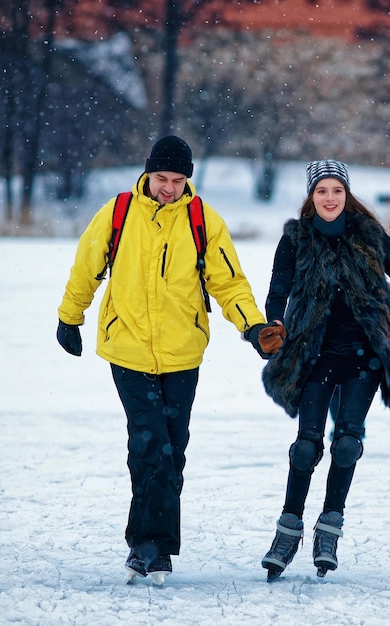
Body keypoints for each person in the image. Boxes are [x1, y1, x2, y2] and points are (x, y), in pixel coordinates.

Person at [56, 135, 285, 582]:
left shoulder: (202, 220)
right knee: (148, 443)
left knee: (171, 450)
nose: (168, 188)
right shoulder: (119, 212)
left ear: (188, 180)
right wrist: (70, 316)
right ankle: (149, 548)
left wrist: (253, 327)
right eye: (161, 178)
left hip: (183, 352)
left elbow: (229, 283)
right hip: (127, 347)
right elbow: (86, 265)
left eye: (177, 180)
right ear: (147, 174)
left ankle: (153, 545)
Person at [258, 160, 390, 581]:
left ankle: (329, 528)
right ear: (311, 197)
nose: (330, 198)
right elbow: (278, 289)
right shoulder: (295, 239)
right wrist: (274, 323)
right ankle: (287, 529)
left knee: (347, 442)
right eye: (321, 191)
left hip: (364, 354)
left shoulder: (368, 233)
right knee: (305, 446)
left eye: (336, 190)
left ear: (346, 194)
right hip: (314, 353)